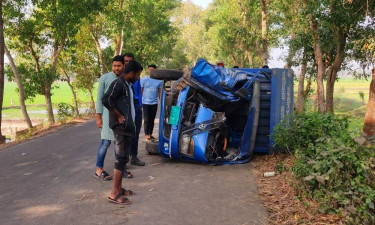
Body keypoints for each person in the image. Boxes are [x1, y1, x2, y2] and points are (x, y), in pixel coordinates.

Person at [102, 60, 143, 205]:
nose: (138, 77)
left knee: (124, 158)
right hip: (120, 128)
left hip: (127, 128)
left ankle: (119, 188)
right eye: (137, 75)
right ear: (131, 73)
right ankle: (114, 193)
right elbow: (106, 100)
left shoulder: (127, 85)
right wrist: (119, 116)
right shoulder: (118, 83)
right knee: (120, 158)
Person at [94, 55, 125, 181]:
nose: (116, 68)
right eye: (114, 66)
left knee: (120, 144)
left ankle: (120, 168)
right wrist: (98, 117)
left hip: (121, 116)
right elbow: (100, 98)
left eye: (119, 66)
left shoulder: (125, 78)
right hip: (107, 116)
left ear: (123, 66)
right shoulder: (105, 78)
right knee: (106, 142)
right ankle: (99, 170)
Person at [123, 53, 145, 167]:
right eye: (125, 61)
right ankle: (123, 160)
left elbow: (138, 91)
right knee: (125, 134)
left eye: (130, 61)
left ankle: (133, 156)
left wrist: (140, 105)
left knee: (135, 132)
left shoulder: (136, 75)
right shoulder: (122, 77)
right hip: (127, 106)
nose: (128, 63)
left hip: (136, 106)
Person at [140, 65, 163, 142]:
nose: (151, 71)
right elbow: (141, 91)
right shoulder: (144, 80)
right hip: (145, 103)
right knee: (146, 119)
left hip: (154, 103)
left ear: (155, 71)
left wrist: (161, 102)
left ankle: (150, 134)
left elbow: (160, 92)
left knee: (152, 120)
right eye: (150, 70)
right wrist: (140, 102)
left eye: (152, 70)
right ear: (148, 70)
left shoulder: (159, 81)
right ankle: (147, 136)